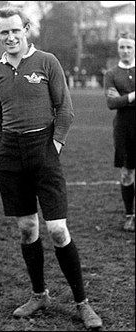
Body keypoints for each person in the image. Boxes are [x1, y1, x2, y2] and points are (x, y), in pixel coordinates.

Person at [0, 6, 103, 330]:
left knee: (57, 229)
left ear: (26, 29)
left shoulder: (47, 62)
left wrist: (55, 146)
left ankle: (83, 303)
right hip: (10, 153)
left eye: (15, 30)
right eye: (4, 32)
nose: (10, 37)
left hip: (44, 148)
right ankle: (39, 295)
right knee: (27, 228)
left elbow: (65, 111)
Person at [104, 32, 135, 232]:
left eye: (129, 47)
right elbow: (111, 103)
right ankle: (130, 216)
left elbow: (119, 100)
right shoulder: (111, 74)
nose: (125, 50)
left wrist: (123, 97)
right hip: (124, 130)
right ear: (118, 49)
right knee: (126, 174)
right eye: (122, 47)